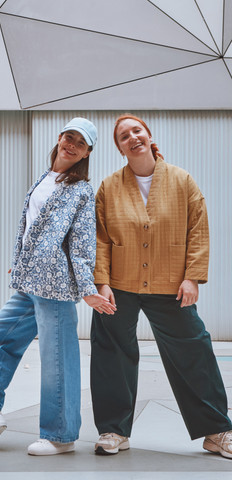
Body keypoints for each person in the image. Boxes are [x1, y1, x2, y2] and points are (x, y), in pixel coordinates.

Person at [0, 117, 115, 456]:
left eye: (80, 143)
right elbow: (30, 227)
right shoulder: (46, 178)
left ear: (87, 153)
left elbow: (81, 243)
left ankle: (60, 436)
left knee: (57, 360)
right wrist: (21, 261)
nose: (72, 145)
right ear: (60, 138)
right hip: (30, 282)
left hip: (57, 286)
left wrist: (87, 288)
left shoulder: (81, 191)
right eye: (69, 137)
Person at [90, 113, 232, 459]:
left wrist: (192, 277)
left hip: (171, 285)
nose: (132, 138)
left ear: (149, 135)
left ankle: (217, 431)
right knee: (111, 354)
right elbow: (100, 238)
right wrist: (101, 282)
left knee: (194, 350)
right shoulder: (109, 187)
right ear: (120, 148)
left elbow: (198, 229)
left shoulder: (182, 180)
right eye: (124, 136)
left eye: (136, 131)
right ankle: (113, 430)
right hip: (119, 286)